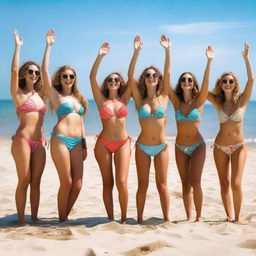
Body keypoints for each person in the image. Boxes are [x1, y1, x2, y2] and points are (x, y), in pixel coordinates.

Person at [42, 30, 88, 222]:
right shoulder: (56, 95)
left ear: (74, 79)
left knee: (77, 184)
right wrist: (49, 46)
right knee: (67, 181)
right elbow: (44, 72)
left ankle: (64, 217)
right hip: (60, 139)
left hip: (77, 142)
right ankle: (62, 221)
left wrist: (84, 144)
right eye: (65, 76)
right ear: (60, 79)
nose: (68, 79)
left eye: (71, 76)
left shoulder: (78, 98)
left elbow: (81, 121)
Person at [208, 43, 254, 224]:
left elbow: (251, 80)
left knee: (235, 183)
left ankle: (238, 217)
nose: (227, 83)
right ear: (220, 84)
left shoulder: (242, 101)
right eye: (224, 81)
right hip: (219, 147)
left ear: (235, 84)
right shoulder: (217, 102)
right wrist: (210, 62)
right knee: (224, 183)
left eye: (231, 81)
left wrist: (246, 57)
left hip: (239, 146)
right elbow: (203, 90)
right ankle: (229, 216)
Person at [128, 35, 170, 223]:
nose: (151, 77)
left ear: (158, 79)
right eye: (148, 75)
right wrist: (136, 52)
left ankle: (167, 219)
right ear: (144, 79)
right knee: (142, 185)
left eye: (154, 75)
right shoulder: (139, 100)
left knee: (162, 185)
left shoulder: (164, 97)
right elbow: (129, 77)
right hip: (143, 146)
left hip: (161, 146)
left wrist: (167, 50)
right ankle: (139, 219)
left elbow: (168, 73)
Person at [169, 45, 214, 221]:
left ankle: (199, 216)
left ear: (193, 83)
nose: (186, 82)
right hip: (180, 146)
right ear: (180, 84)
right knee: (185, 184)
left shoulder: (199, 101)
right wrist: (168, 51)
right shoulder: (176, 102)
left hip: (197, 146)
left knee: (196, 182)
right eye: (183, 80)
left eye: (189, 79)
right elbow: (166, 79)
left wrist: (209, 61)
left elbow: (207, 81)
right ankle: (188, 217)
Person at [90, 42, 131, 223]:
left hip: (123, 143)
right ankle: (110, 219)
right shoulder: (101, 100)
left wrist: (136, 51)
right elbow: (92, 77)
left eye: (116, 80)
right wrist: (100, 56)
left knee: (121, 182)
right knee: (108, 183)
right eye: (110, 80)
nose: (113, 82)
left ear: (120, 83)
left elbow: (132, 76)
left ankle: (123, 219)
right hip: (103, 144)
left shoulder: (125, 99)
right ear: (106, 84)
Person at [11, 30, 46, 225]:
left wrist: (42, 134)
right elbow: (14, 72)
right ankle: (22, 220)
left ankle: (34, 217)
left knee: (36, 182)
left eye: (36, 72)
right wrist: (18, 48)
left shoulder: (40, 95)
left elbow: (40, 120)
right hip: (22, 141)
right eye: (30, 71)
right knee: (24, 180)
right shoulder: (19, 94)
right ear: (25, 73)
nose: (34, 74)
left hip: (39, 143)